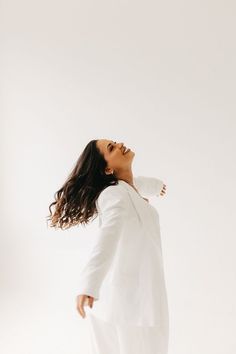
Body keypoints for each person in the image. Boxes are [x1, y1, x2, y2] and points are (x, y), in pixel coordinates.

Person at [47, 139, 168, 354]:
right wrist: (89, 284)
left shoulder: (127, 189)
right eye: (111, 148)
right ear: (108, 169)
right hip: (128, 306)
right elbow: (107, 236)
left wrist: (156, 186)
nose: (119, 144)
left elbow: (136, 183)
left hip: (138, 300)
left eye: (113, 142)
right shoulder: (114, 194)